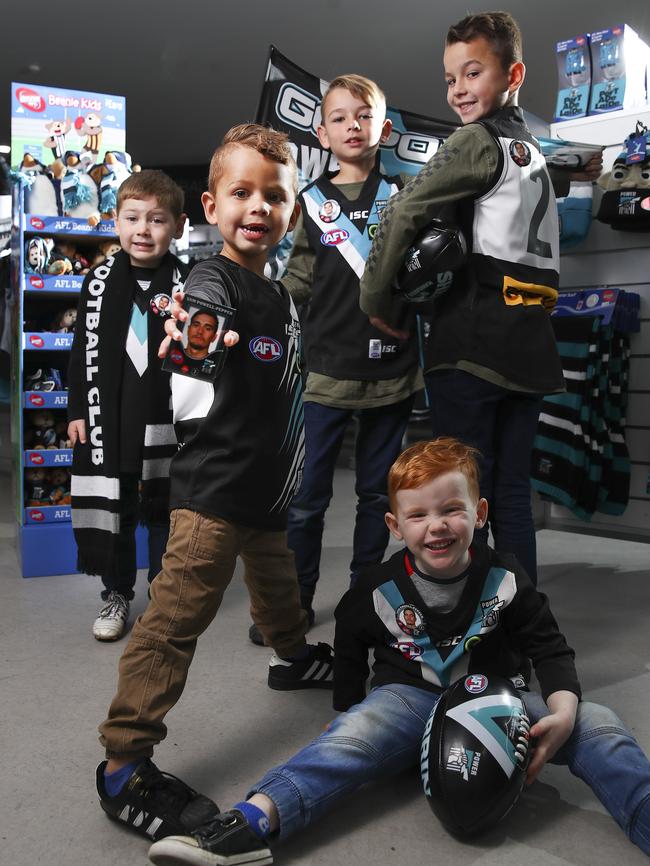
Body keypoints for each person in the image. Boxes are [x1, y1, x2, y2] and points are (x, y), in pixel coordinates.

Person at [147, 437, 650, 865]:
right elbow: (349, 643)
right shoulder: (375, 588)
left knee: (598, 722)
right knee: (347, 742)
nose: (437, 526)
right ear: (394, 525)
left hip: (499, 701)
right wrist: (347, 706)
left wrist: (563, 711)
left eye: (452, 509)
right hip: (408, 696)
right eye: (418, 515)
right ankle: (253, 822)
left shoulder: (507, 577)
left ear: (480, 513)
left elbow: (550, 647)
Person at [94, 124, 335, 843]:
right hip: (213, 494)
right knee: (174, 620)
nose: (257, 207)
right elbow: (195, 347)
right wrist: (191, 345)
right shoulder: (213, 280)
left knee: (279, 588)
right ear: (210, 206)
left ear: (291, 211)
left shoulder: (281, 297)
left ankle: (291, 657)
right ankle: (122, 762)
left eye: (274, 196)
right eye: (241, 193)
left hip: (266, 493)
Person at [358, 12, 601, 584]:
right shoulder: (533, 152)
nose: (459, 90)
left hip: (471, 345)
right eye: (450, 79)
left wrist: (378, 299)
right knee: (509, 494)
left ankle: (471, 625)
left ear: (512, 73)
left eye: (473, 73)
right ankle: (520, 622)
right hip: (530, 343)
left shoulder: (477, 140)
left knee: (460, 501)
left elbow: (402, 208)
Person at [262, 73, 421, 642]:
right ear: (321, 131)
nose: (352, 125)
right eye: (339, 117)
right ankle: (296, 602)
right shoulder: (309, 202)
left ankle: (363, 599)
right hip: (324, 374)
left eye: (364, 115)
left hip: (391, 376)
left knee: (378, 497)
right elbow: (297, 282)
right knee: (307, 499)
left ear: (383, 127)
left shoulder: (405, 197)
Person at [67, 169, 188, 640]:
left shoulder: (190, 281)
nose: (143, 230)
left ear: (177, 225)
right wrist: (78, 410)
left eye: (156, 220)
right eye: (132, 218)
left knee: (164, 512)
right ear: (115, 222)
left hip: (166, 422)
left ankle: (161, 597)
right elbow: (80, 351)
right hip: (110, 419)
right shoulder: (97, 282)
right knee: (116, 513)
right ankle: (116, 593)